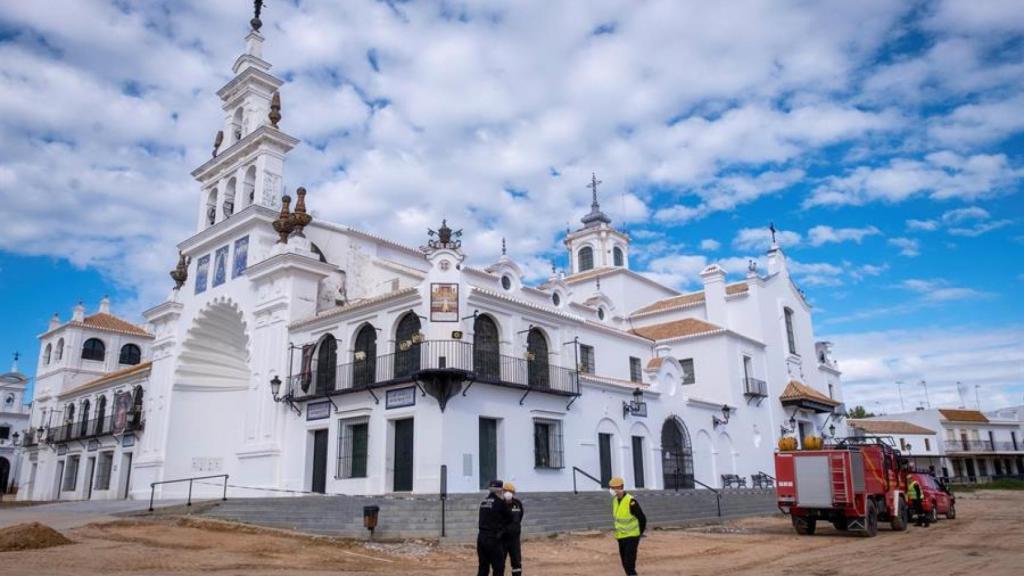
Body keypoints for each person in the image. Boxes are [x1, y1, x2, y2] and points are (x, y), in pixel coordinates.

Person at [609, 477, 646, 576]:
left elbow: (642, 518)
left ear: (620, 487)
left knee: (629, 565)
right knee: (625, 564)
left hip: (632, 537)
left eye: (613, 488)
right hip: (621, 537)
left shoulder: (631, 501)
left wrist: (639, 533)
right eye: (611, 488)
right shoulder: (615, 501)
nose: (611, 490)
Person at [478, 479, 513, 576]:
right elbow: (510, 517)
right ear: (500, 490)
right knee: (498, 567)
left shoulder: (483, 502)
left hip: (481, 538)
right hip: (493, 538)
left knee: (483, 567)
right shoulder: (500, 503)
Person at [502, 482, 524, 575]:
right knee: (499, 562)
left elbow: (520, 516)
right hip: (502, 539)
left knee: (516, 562)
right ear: (503, 492)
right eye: (506, 491)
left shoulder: (518, 504)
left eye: (510, 491)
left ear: (513, 493)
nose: (508, 493)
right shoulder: (500, 504)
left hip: (514, 539)